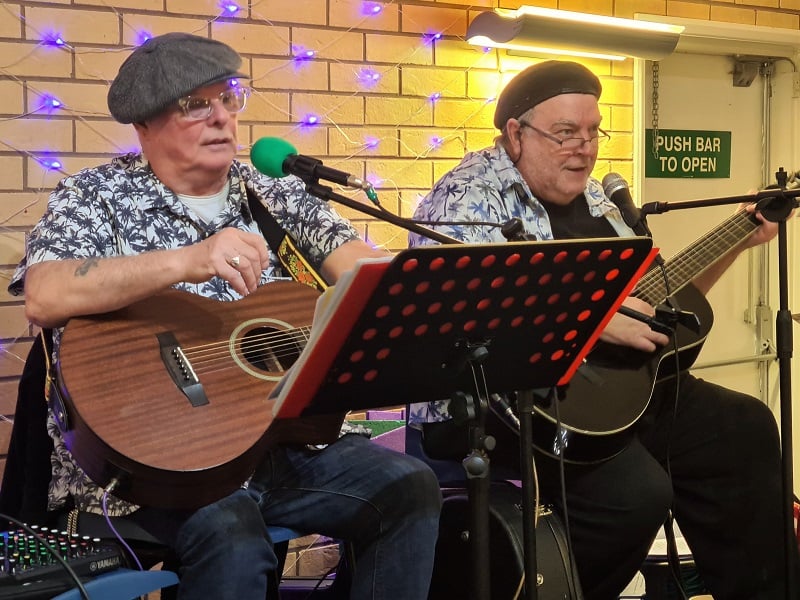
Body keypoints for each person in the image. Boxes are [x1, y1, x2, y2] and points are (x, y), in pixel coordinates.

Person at [8, 32, 441, 599]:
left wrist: (417, 291)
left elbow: (366, 275)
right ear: (144, 125)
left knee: (409, 485)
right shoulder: (96, 196)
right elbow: (45, 294)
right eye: (195, 104)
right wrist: (187, 260)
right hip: (157, 463)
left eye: (228, 97)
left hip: (280, 449)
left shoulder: (275, 194)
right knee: (234, 537)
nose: (221, 118)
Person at [408, 59, 799, 599]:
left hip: (607, 398)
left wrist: (739, 239)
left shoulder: (596, 199)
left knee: (743, 427)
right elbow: (461, 310)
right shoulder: (466, 196)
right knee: (636, 495)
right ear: (516, 134)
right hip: (506, 406)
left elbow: (655, 301)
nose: (585, 149)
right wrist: (593, 322)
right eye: (566, 133)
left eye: (593, 132)